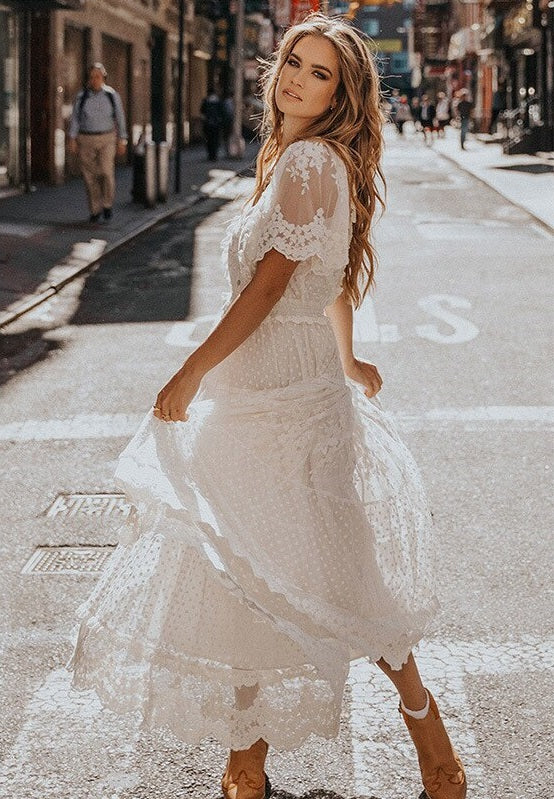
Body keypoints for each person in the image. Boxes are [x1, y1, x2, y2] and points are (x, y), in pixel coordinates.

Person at [67, 14, 467, 799]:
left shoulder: (311, 160)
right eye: (294, 62)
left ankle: (434, 751)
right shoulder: (302, 157)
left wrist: (191, 370)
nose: (297, 80)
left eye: (319, 73)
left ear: (341, 92)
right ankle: (250, 763)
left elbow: (274, 284)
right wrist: (347, 357)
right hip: (283, 383)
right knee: (247, 573)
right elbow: (334, 279)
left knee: (324, 575)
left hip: (278, 395)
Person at [68, 63, 128, 223]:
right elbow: (75, 119)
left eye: (98, 77)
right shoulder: (82, 97)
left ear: (103, 78)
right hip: (86, 138)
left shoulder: (111, 95)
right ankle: (95, 209)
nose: (95, 80)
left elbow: (120, 117)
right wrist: (72, 138)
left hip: (107, 138)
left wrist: (122, 139)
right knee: (89, 176)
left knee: (106, 172)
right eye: (92, 77)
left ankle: (107, 204)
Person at [201, 87, 223, 161]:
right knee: (215, 140)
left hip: (208, 124)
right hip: (216, 124)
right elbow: (222, 113)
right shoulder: (219, 102)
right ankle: (214, 155)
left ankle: (210, 155)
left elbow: (202, 112)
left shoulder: (205, 101)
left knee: (209, 140)